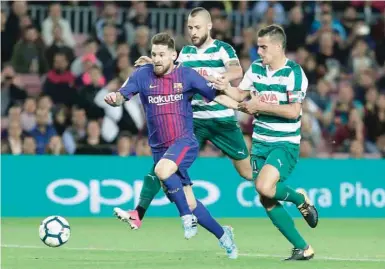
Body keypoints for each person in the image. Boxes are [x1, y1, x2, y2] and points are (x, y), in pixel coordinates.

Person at [105, 32, 238, 259]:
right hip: (160, 149)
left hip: (183, 142)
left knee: (162, 172)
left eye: (162, 54)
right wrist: (113, 98)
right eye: (154, 54)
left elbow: (216, 95)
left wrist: (241, 104)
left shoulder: (187, 75)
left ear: (173, 56)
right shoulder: (141, 75)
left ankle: (186, 218)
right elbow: (121, 96)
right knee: (189, 199)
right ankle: (224, 235)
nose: (157, 58)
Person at [122, 6, 252, 230]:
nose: (193, 31)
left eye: (197, 27)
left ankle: (284, 190)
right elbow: (172, 72)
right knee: (162, 168)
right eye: (190, 27)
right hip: (194, 121)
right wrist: (154, 64)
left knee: (247, 173)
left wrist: (217, 78)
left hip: (222, 119)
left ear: (209, 26)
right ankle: (140, 212)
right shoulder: (187, 53)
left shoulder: (223, 48)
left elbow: (235, 72)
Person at [214, 24, 319, 261]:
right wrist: (224, 88)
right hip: (260, 143)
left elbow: (293, 112)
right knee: (266, 197)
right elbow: (240, 96)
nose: (259, 52)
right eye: (258, 47)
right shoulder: (256, 69)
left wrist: (260, 106)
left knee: (263, 186)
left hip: (284, 144)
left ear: (278, 46)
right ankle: (303, 248)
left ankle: (300, 198)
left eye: (263, 47)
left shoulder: (293, 73)